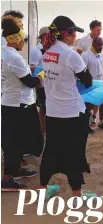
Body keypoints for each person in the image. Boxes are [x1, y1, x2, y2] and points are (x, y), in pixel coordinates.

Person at [40, 16, 94, 200]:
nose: (76, 36)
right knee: (73, 152)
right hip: (71, 112)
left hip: (52, 110)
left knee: (51, 150)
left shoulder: (47, 53)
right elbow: (87, 81)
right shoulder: (71, 55)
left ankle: (43, 190)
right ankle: (77, 195)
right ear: (67, 34)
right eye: (74, 33)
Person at [1, 15, 44, 191]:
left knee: (18, 140)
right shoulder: (13, 57)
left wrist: (31, 70)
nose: (24, 43)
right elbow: (29, 82)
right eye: (23, 40)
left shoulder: (7, 53)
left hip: (14, 103)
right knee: (14, 142)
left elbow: (21, 74)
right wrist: (40, 75)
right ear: (16, 40)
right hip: (18, 105)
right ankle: (7, 179)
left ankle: (16, 170)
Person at [77, 20, 103, 133]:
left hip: (101, 81)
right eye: (97, 30)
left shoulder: (101, 52)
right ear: (91, 29)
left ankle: (99, 121)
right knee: (89, 104)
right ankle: (87, 123)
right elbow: (78, 60)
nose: (99, 32)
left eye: (100, 30)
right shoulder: (84, 43)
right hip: (90, 82)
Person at [29, 26, 49, 136]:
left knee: (49, 109)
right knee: (43, 109)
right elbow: (33, 70)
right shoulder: (36, 51)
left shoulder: (49, 49)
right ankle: (43, 132)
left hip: (51, 85)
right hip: (42, 86)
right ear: (44, 36)